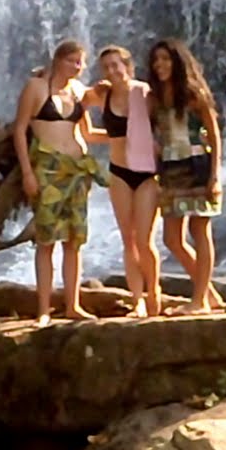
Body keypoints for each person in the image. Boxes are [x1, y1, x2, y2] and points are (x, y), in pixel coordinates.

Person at [12, 39, 106, 325]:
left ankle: (73, 304)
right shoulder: (36, 87)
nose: (77, 67)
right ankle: (43, 308)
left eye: (81, 62)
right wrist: (27, 172)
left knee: (74, 240)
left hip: (78, 170)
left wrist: (125, 136)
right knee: (46, 240)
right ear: (57, 60)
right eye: (71, 60)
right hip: (48, 170)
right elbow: (19, 130)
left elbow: (87, 133)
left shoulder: (79, 92)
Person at [146, 37, 225, 314]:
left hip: (198, 166)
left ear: (177, 62)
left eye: (166, 59)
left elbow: (214, 135)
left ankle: (199, 300)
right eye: (156, 60)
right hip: (170, 169)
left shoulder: (193, 93)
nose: (160, 65)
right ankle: (209, 293)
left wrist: (215, 176)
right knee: (171, 238)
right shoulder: (154, 98)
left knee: (199, 230)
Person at [83, 46, 161, 317]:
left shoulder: (145, 93)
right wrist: (102, 136)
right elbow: (77, 102)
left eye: (116, 65)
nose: (112, 71)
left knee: (145, 240)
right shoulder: (101, 96)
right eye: (106, 66)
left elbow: (165, 119)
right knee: (128, 241)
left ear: (128, 66)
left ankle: (154, 292)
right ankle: (137, 299)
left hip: (147, 173)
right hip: (118, 172)